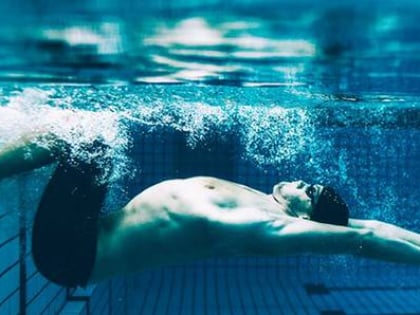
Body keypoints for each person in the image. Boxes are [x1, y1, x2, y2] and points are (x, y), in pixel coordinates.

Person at [0, 130, 420, 289]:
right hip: (85, 238)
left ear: (305, 217)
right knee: (90, 139)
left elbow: (358, 240)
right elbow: (372, 225)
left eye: (307, 190)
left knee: (85, 139)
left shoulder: (267, 225)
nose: (298, 180)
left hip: (72, 254)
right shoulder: (269, 202)